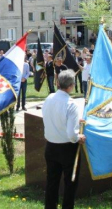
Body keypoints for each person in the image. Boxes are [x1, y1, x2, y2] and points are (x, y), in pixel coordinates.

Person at [42, 70, 86, 209]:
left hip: (50, 146)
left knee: (52, 183)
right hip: (67, 148)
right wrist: (79, 136)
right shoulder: (71, 104)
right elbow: (72, 135)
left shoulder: (49, 98)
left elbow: (53, 117)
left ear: (57, 82)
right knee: (70, 183)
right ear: (72, 85)